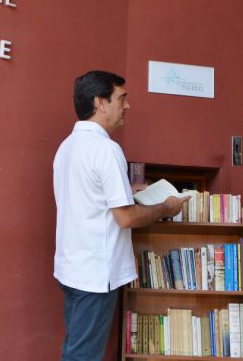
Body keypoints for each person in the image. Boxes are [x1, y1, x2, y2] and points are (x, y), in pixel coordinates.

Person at [53, 70, 188, 361]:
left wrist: (129, 190)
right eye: (122, 98)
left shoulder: (66, 148)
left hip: (72, 267)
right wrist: (166, 208)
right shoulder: (106, 149)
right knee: (83, 356)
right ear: (101, 103)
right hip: (96, 273)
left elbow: (89, 198)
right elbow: (125, 218)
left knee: (74, 349)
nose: (127, 106)